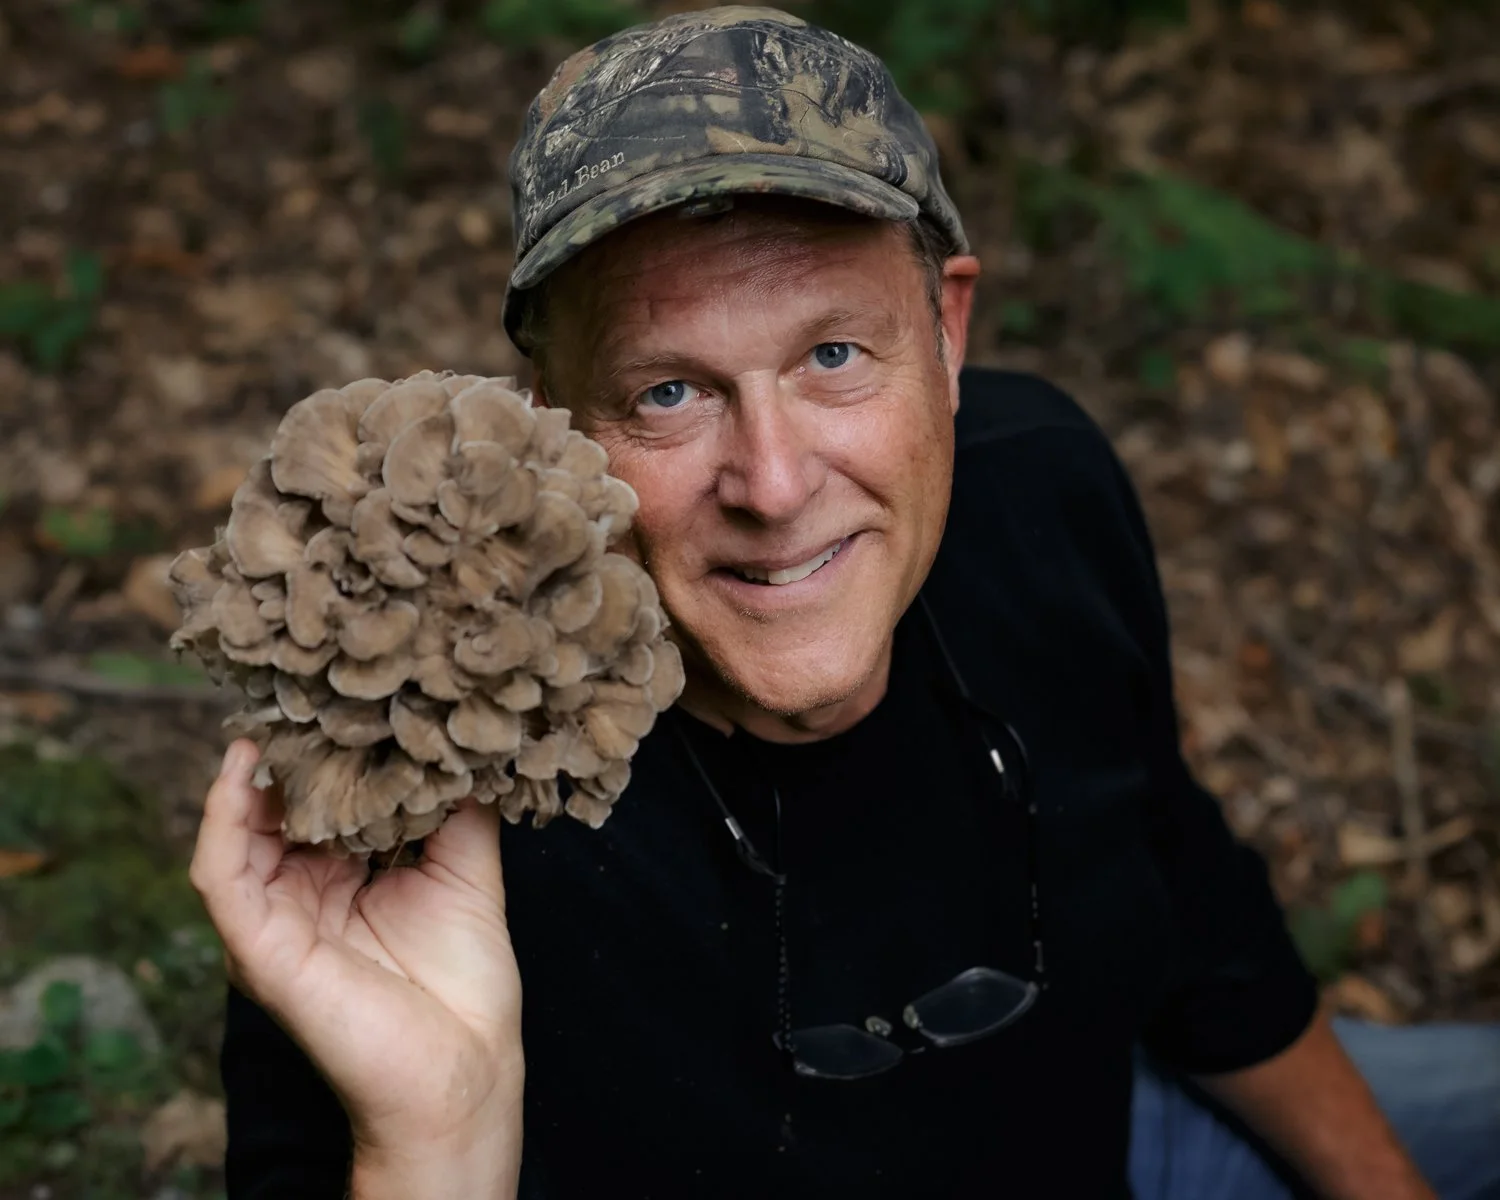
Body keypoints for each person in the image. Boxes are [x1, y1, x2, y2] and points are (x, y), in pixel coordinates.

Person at [193, 8, 1500, 1198]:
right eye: (669, 392)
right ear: (556, 426)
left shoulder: (1041, 494)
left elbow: (1197, 920)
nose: (773, 482)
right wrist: (435, 1133)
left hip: (1116, 1138)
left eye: (832, 355)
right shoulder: (435, 761)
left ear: (945, 331)